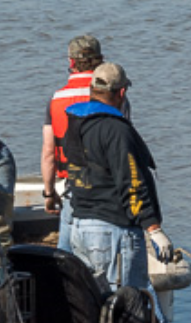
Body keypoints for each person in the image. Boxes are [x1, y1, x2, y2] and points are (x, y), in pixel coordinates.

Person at [62, 62, 177, 323]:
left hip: (80, 227)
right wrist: (154, 229)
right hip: (112, 233)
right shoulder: (116, 130)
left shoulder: (75, 124)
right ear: (121, 92)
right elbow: (132, 182)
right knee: (128, 310)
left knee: (96, 309)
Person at [42, 34, 131, 252]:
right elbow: (125, 144)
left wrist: (49, 192)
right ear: (101, 59)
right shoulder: (113, 94)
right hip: (107, 192)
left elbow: (48, 153)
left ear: (71, 62)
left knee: (65, 255)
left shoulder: (56, 98)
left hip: (73, 186)